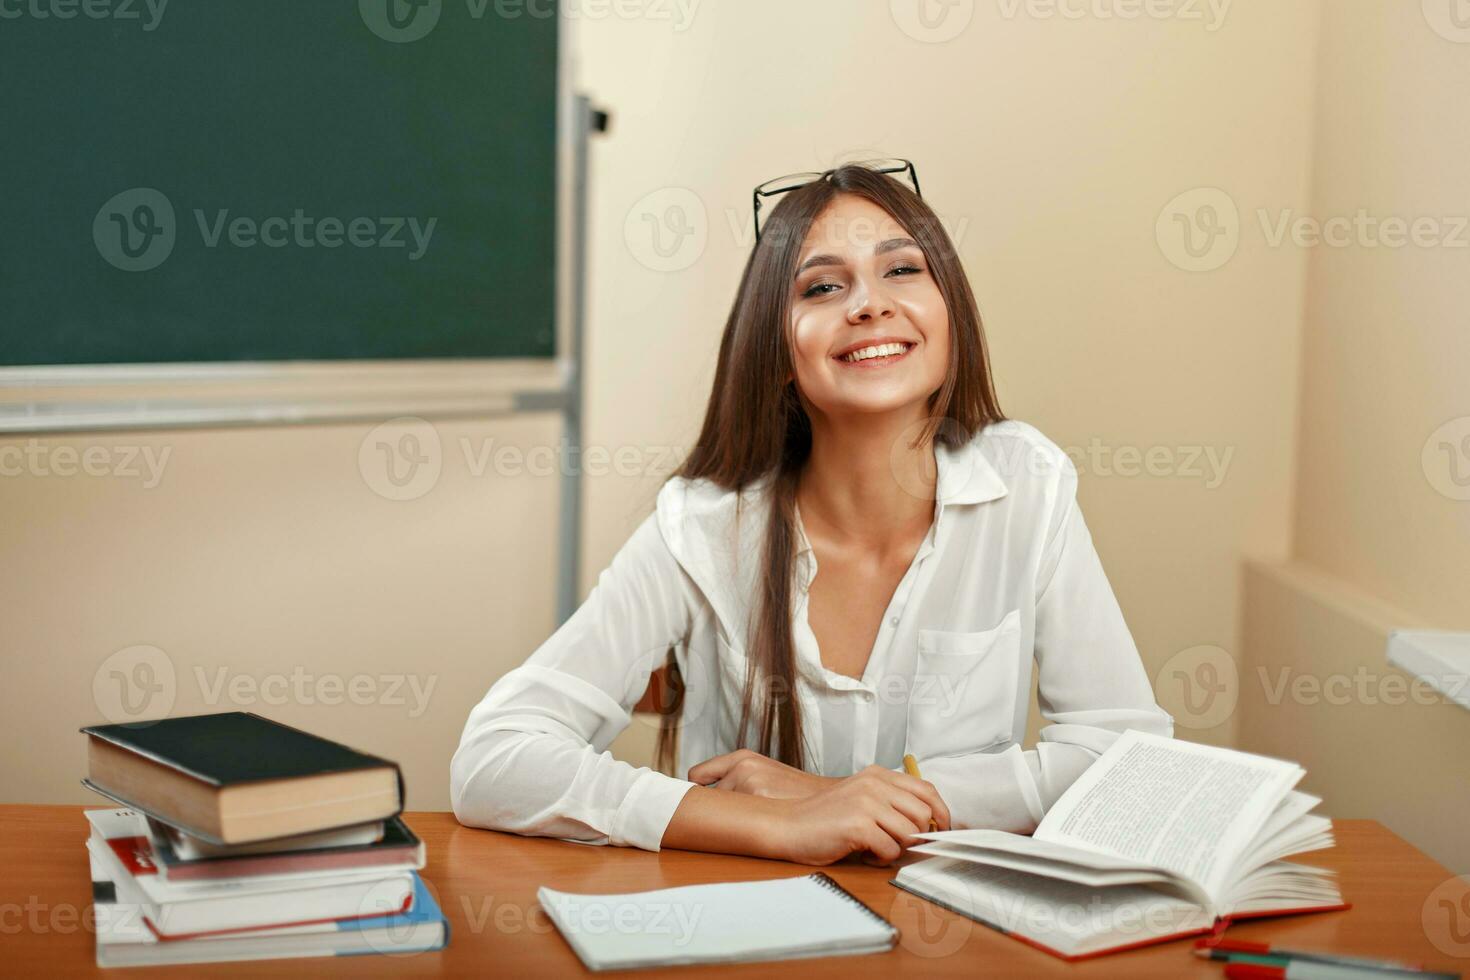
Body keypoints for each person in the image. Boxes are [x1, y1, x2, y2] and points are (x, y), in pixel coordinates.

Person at [450, 161, 1172, 867]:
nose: (869, 304)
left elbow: (1132, 763)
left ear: (949, 311)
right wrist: (778, 825)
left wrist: (850, 797)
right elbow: (495, 760)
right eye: (823, 286)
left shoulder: (1026, 484)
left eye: (902, 270)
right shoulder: (703, 524)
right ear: (778, 353)